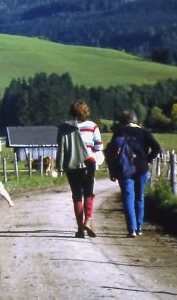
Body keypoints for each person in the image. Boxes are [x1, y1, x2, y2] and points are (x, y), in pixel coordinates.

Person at [106, 110, 161, 238]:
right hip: (141, 168)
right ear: (136, 120)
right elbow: (157, 148)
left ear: (122, 121)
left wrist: (112, 171)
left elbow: (112, 153)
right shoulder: (144, 132)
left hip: (124, 170)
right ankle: (140, 227)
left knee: (128, 198)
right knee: (139, 198)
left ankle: (132, 229)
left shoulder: (119, 133)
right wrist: (147, 159)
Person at [55, 100, 104, 238]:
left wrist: (59, 165)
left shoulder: (64, 127)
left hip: (72, 163)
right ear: (86, 112)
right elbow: (99, 147)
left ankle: (79, 228)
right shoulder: (93, 126)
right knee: (88, 193)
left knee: (77, 196)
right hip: (88, 162)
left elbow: (61, 148)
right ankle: (88, 220)